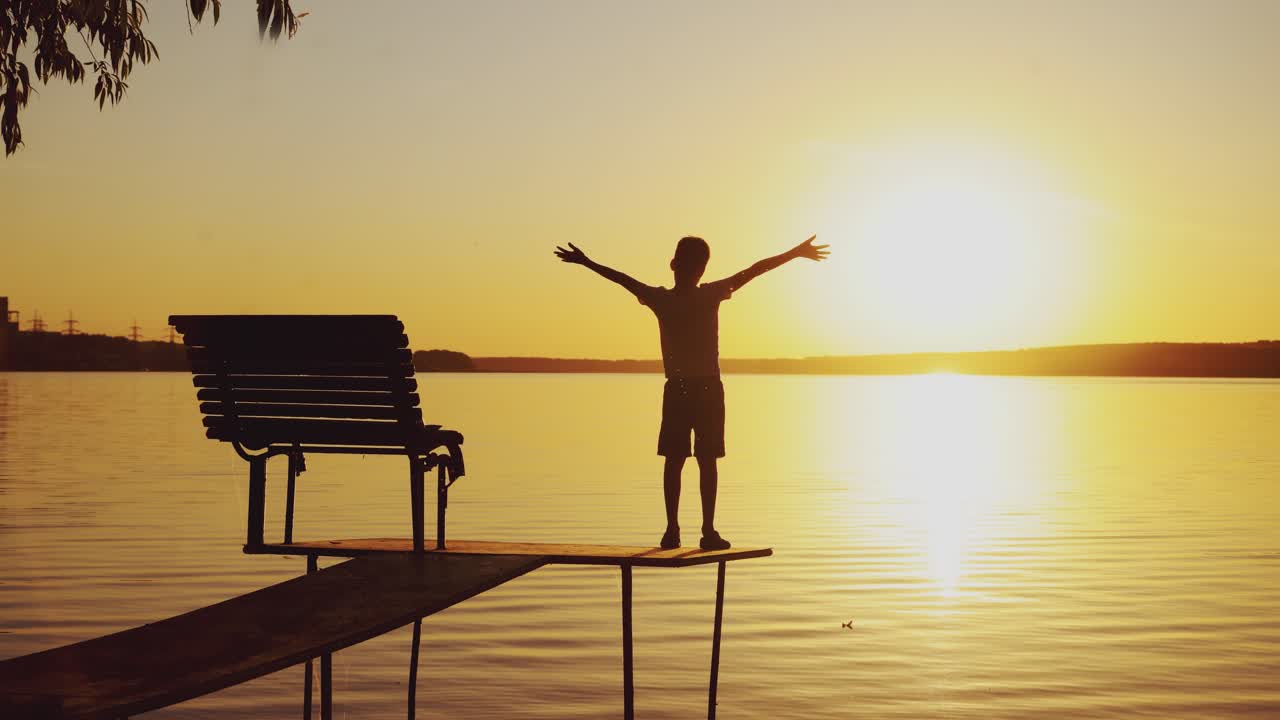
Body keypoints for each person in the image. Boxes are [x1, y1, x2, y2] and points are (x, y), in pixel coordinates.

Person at [554, 235, 829, 550]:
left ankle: (679, 529)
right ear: (700, 269)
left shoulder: (666, 298)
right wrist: (795, 253)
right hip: (703, 387)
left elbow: (623, 280)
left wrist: (587, 262)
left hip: (687, 388)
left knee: (680, 460)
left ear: (674, 264)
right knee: (699, 461)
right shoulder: (704, 294)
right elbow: (754, 270)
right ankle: (699, 530)